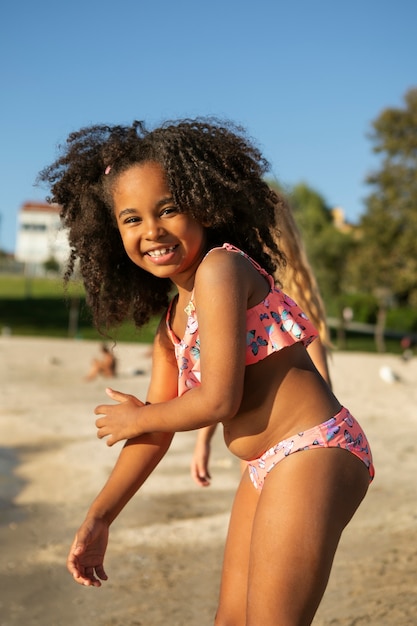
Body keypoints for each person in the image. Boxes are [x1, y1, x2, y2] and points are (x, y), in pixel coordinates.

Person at [39, 118, 374, 626]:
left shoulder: (222, 269)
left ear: (204, 206)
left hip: (313, 447)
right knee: (230, 619)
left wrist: (137, 419)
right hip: (264, 463)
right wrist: (100, 516)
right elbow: (156, 433)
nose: (151, 230)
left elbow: (219, 400)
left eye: (168, 209)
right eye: (131, 219)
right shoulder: (169, 326)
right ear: (113, 234)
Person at [191, 200, 333, 486]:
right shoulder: (250, 292)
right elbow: (223, 377)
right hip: (269, 444)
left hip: (290, 439)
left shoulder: (281, 300)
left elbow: (320, 379)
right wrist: (203, 439)